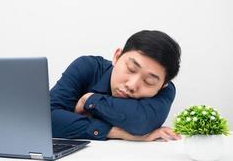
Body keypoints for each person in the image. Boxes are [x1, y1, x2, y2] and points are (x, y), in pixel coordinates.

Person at [50, 30, 181, 141]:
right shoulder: (86, 67)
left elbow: (142, 122)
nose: (132, 85)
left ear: (162, 85)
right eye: (131, 69)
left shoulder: (166, 90)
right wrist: (117, 132)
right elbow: (46, 119)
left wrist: (90, 99)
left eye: (149, 81)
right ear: (117, 56)